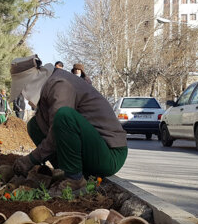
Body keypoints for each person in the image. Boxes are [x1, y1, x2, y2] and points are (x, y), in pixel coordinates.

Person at [10, 55, 128, 196]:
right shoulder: (48, 86)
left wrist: (31, 159)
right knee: (34, 125)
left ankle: (75, 180)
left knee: (64, 116)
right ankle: (64, 172)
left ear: (31, 81)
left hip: (110, 155)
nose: (24, 94)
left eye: (23, 88)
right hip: (93, 152)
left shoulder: (60, 84)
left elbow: (58, 127)